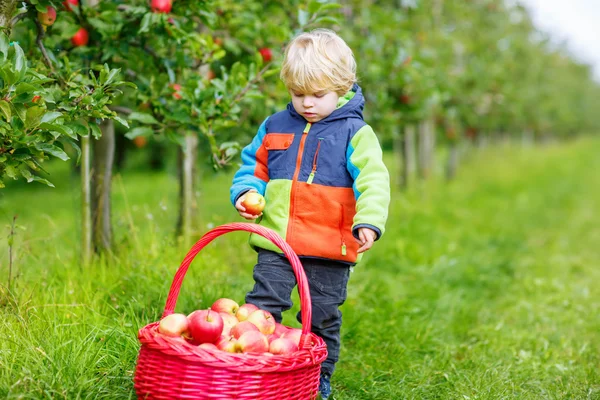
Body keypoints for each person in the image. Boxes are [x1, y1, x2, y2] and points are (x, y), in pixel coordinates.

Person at [229, 28, 390, 400]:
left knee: (320, 318)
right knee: (262, 307)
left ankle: (318, 377)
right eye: (298, 94)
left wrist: (368, 221)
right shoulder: (274, 126)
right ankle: (255, 367)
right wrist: (248, 191)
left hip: (329, 247)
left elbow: (374, 179)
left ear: (343, 86)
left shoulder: (355, 132)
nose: (307, 104)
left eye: (318, 95)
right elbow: (253, 167)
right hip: (278, 242)